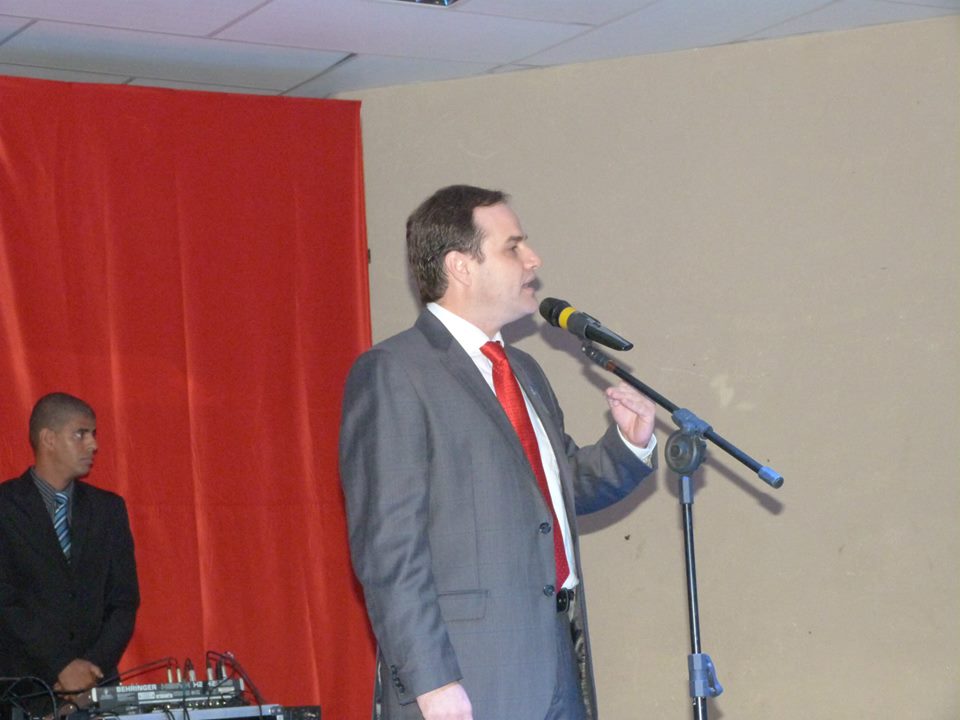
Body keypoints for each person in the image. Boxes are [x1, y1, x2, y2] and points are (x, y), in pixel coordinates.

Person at [339, 185, 657, 720]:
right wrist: (433, 682)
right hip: (469, 676)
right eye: (514, 247)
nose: (533, 260)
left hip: (557, 661)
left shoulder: (523, 371)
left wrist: (628, 444)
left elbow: (554, 493)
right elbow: (389, 550)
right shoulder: (395, 372)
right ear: (460, 266)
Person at [0, 392, 140, 708]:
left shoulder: (108, 509)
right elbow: (5, 602)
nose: (93, 445)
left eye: (93, 434)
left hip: (96, 689)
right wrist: (61, 666)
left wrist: (91, 669)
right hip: (22, 690)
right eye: (80, 434)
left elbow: (124, 601)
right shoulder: (6, 506)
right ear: (48, 439)